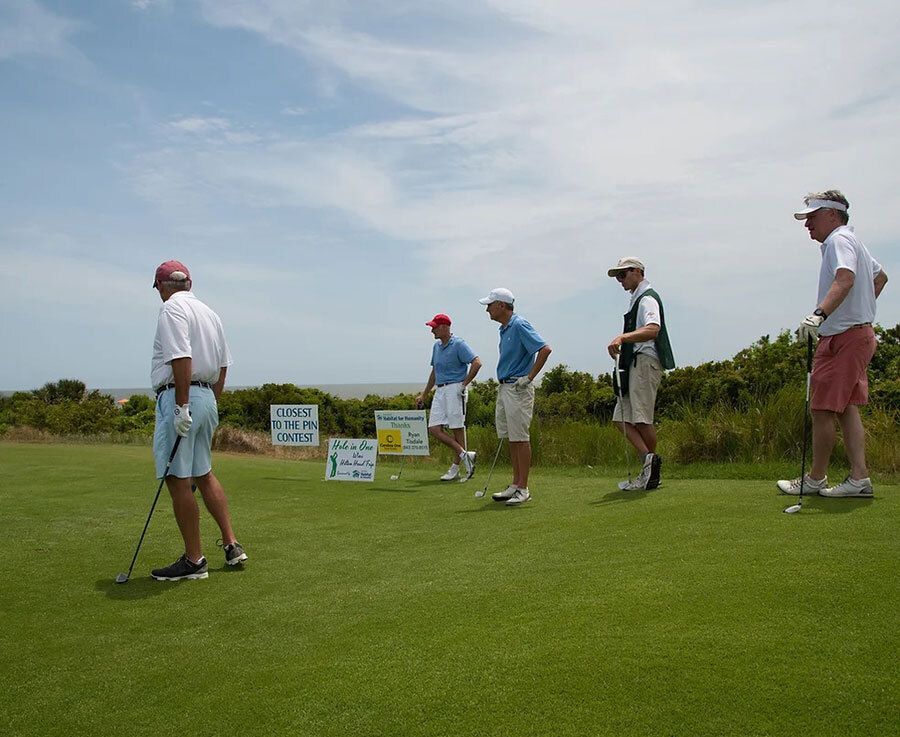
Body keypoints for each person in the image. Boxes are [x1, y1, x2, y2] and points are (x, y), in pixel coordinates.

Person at [778, 191, 888, 498]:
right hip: (855, 334)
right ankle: (859, 478)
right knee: (846, 409)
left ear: (832, 214)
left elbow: (845, 278)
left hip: (843, 338)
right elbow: (880, 278)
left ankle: (816, 478)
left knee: (822, 408)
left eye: (812, 218)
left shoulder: (839, 240)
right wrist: (859, 312)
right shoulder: (853, 242)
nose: (807, 225)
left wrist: (819, 315)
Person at [149, 260, 247, 581]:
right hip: (206, 397)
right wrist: (209, 402)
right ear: (189, 284)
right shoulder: (210, 313)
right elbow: (223, 366)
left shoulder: (171, 310)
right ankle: (232, 545)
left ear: (163, 286)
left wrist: (181, 406)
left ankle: (194, 561)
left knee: (177, 479)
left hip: (182, 398)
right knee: (203, 473)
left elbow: (181, 357)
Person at [478, 288, 552, 506]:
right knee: (511, 438)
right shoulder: (504, 329)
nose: (487, 309)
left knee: (520, 437)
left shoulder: (519, 324)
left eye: (490, 305)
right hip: (505, 388)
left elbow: (545, 349)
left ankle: (524, 488)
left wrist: (528, 378)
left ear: (501, 305)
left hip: (518, 388)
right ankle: (515, 483)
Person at [606, 257, 675, 491]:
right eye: (618, 277)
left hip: (645, 362)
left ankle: (650, 471)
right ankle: (649, 464)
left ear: (637, 272)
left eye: (623, 275)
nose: (620, 280)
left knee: (642, 418)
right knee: (620, 417)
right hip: (634, 363)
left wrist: (623, 338)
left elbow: (652, 329)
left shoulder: (647, 298)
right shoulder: (637, 298)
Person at [415, 313, 482, 481]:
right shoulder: (436, 347)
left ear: (444, 327)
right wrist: (425, 393)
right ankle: (465, 455)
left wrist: (464, 384)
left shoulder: (459, 344)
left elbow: (477, 363)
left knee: (457, 428)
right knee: (434, 429)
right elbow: (434, 372)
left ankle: (457, 468)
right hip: (440, 390)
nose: (432, 331)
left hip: (455, 389)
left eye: (434, 327)